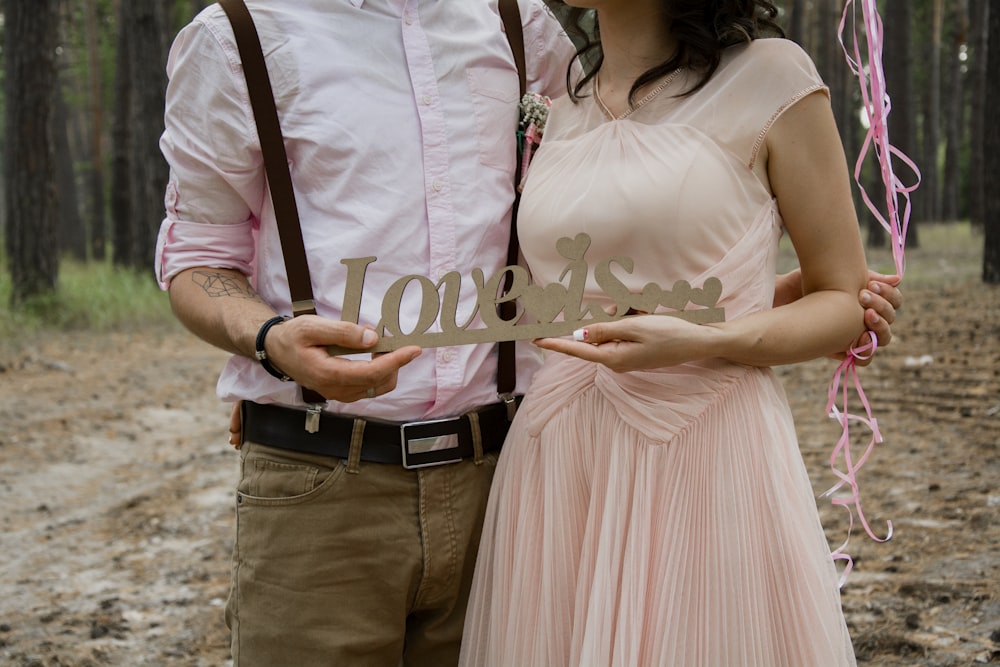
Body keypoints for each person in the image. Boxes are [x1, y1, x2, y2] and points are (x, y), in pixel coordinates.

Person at [155, 1, 900, 665]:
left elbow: (633, 219)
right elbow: (195, 259)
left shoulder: (523, 33)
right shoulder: (239, 40)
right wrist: (268, 338)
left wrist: (736, 311)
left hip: (500, 471)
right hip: (333, 482)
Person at [459, 2, 889, 666]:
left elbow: (841, 299)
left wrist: (702, 340)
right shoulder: (552, 103)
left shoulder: (772, 77)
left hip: (707, 450)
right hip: (560, 459)